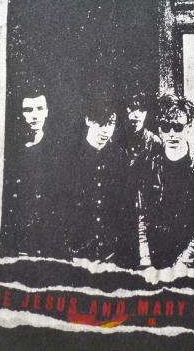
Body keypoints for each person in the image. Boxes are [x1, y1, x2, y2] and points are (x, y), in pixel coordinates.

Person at [143, 94, 194, 269]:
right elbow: (141, 215)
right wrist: (145, 259)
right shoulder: (149, 165)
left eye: (178, 127)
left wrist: (182, 264)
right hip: (157, 260)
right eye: (166, 127)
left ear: (189, 127)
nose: (171, 134)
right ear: (160, 129)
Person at [65, 97, 139, 268]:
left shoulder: (121, 158)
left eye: (111, 123)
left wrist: (129, 261)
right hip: (76, 257)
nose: (106, 130)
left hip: (112, 258)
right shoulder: (70, 158)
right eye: (101, 123)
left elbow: (128, 212)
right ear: (88, 120)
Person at [0, 86, 62, 259]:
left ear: (47, 111)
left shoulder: (58, 150)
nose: (34, 115)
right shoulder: (10, 149)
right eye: (28, 110)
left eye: (39, 108)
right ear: (20, 113)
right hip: (18, 237)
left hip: (48, 238)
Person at [118, 92, 162, 267]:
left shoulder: (155, 143)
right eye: (131, 109)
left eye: (141, 110)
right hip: (121, 206)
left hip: (146, 208)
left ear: (146, 113)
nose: (136, 115)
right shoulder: (117, 140)